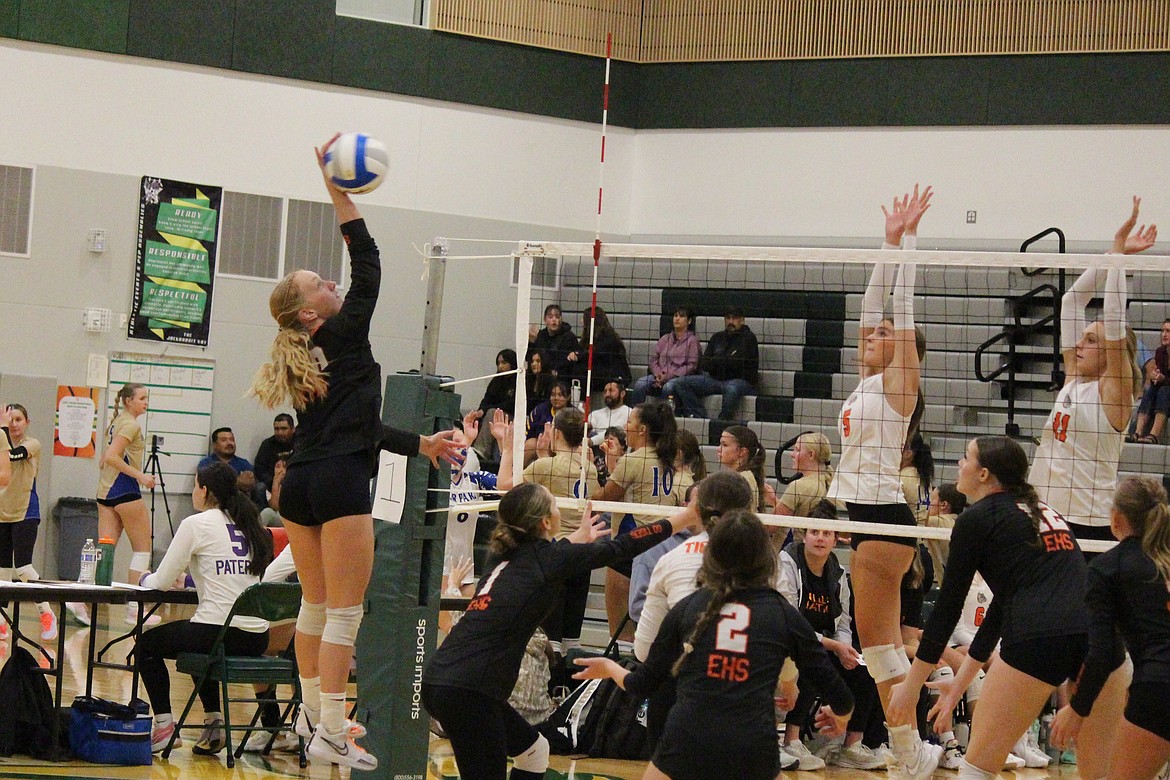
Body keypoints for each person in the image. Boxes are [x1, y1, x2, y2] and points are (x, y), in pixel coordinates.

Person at [248, 135, 384, 770]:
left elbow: (359, 427)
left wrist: (422, 444)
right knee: (345, 616)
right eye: (318, 282)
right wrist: (335, 185)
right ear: (308, 313)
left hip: (297, 483)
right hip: (335, 483)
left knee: (315, 605)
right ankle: (332, 726)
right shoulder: (344, 330)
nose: (332, 281)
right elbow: (368, 258)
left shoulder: (302, 358)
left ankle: (309, 718)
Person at [422, 483, 690, 780]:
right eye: (554, 503)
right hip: (470, 690)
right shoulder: (547, 559)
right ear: (546, 522)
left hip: (442, 680)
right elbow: (623, 546)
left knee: (535, 751)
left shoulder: (503, 555)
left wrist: (577, 539)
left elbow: (547, 559)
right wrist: (686, 517)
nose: (558, 508)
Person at [574, 510, 855, 780]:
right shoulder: (783, 613)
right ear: (766, 558)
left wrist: (610, 667)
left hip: (687, 739)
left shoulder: (687, 607)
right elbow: (839, 694)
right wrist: (841, 715)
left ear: (713, 557)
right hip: (752, 746)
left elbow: (642, 683)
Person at [1026, 198, 1154, 776]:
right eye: (1084, 339)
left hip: (1089, 531)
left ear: (1117, 354)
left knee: (1096, 647)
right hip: (1051, 522)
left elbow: (1116, 323)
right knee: (1055, 636)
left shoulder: (1113, 396)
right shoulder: (1076, 379)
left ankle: (1108, 741)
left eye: (1095, 341)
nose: (1081, 342)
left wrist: (1122, 266)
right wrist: (1109, 253)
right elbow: (1074, 300)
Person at [886, 436, 1089, 780]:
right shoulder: (1043, 511)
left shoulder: (978, 519)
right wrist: (960, 683)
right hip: (1096, 639)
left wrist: (911, 685)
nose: (958, 466)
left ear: (983, 474)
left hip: (1038, 639)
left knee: (977, 768)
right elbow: (1000, 609)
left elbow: (947, 609)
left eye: (965, 458)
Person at [823, 184, 939, 778]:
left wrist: (912, 246)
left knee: (879, 649)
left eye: (881, 335)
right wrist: (887, 242)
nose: (870, 336)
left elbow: (903, 312)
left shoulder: (900, 388)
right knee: (885, 648)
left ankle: (907, 751)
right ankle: (909, 748)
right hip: (867, 518)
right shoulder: (869, 384)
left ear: (900, 348)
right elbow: (873, 307)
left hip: (884, 518)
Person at [138, 462, 273, 754]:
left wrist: (141, 577)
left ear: (205, 490)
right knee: (197, 637)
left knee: (146, 645)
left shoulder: (196, 524)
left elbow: (159, 581)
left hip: (219, 634)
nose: (192, 492)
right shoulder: (248, 524)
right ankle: (213, 724)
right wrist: (190, 580)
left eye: (194, 485)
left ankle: (164, 726)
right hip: (256, 635)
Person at [1050, 476, 1170, 780]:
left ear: (1116, 519)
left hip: (1159, 686)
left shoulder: (1108, 568)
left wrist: (1078, 710)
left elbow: (1101, 653)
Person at [777, 511, 886, 771]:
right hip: (792, 643)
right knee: (812, 659)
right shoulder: (787, 562)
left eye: (827, 533)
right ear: (804, 535)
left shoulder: (837, 573)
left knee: (866, 666)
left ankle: (851, 745)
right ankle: (791, 740)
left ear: (836, 539)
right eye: (815, 532)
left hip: (826, 646)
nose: (820, 538)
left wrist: (845, 650)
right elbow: (789, 620)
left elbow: (844, 621)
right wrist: (833, 646)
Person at [593, 400, 693, 640]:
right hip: (666, 545)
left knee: (621, 633)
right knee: (655, 627)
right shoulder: (669, 461)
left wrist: (588, 473)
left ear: (642, 430)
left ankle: (621, 669)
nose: (625, 426)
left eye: (629, 421)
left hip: (633, 545)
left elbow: (604, 499)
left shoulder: (635, 459)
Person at [522, 407, 600, 656]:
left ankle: (550, 687)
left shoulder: (545, 465)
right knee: (572, 639)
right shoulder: (590, 468)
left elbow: (506, 487)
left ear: (556, 432)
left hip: (557, 549)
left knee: (552, 638)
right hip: (584, 551)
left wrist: (514, 449)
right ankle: (568, 688)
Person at [92, 382, 159, 628]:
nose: (146, 402)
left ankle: (80, 599)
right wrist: (140, 476)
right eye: (142, 398)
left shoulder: (118, 420)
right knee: (142, 550)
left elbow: (106, 457)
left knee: (105, 551)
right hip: (125, 491)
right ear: (129, 400)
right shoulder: (130, 424)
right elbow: (111, 456)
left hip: (105, 493)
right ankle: (134, 609)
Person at [0, 404, 56, 641]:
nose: (14, 423)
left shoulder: (32, 444)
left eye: (18, 419)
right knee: (1, 571)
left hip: (26, 511)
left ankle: (47, 613)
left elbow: (14, 455)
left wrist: (1, 430)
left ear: (27, 422)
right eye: (10, 419)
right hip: (3, 511)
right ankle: (2, 622)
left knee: (22, 567)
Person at [664, 306, 759, 421]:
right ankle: (700, 417)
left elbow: (740, 365)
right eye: (728, 318)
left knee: (732, 389)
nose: (730, 321)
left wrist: (718, 361)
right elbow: (705, 363)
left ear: (742, 320)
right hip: (715, 380)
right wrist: (726, 361)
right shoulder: (717, 337)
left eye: (734, 318)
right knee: (681, 383)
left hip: (741, 381)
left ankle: (721, 423)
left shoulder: (749, 339)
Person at [629, 306, 701, 405]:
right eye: (675, 315)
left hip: (678, 378)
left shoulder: (692, 341)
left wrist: (668, 376)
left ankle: (664, 416)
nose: (677, 318)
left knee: (668, 387)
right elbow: (654, 359)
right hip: (659, 375)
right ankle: (636, 413)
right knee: (640, 384)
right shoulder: (665, 338)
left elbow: (691, 366)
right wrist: (658, 374)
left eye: (681, 316)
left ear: (689, 321)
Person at [1128, 318, 1170, 443]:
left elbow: (1165, 380)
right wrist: (1154, 377)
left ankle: (1154, 435)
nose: (1164, 334)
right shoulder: (1160, 352)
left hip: (1166, 393)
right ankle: (1137, 432)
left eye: (1168, 331)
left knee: (1164, 391)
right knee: (1151, 390)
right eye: (1162, 331)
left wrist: (1163, 379)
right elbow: (1159, 377)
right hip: (1164, 394)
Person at [571, 306, 631, 389]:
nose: (581, 321)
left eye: (584, 319)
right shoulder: (589, 338)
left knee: (580, 372)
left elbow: (595, 353)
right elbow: (583, 351)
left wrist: (578, 355)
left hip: (615, 374)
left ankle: (581, 400)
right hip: (601, 372)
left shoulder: (609, 337)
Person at [199, 427, 262, 504]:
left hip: (240, 507)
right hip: (214, 507)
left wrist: (224, 483)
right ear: (214, 445)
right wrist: (237, 482)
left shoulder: (243, 463)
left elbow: (250, 484)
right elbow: (209, 487)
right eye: (224, 440)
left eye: (232, 439)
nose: (229, 443)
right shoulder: (206, 463)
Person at [715, 425, 766, 512]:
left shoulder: (741, 479)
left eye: (724, 445)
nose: (718, 449)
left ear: (742, 451)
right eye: (720, 444)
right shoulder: (743, 476)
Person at [924, 482, 966, 584]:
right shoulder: (962, 522)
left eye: (931, 499)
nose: (927, 504)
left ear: (943, 505)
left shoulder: (935, 522)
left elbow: (914, 520)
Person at [526, 304, 579, 378]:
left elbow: (568, 361)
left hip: (562, 377)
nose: (554, 319)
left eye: (557, 317)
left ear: (561, 319)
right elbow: (528, 358)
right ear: (545, 320)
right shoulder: (540, 335)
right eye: (550, 317)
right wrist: (531, 342)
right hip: (541, 377)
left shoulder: (569, 337)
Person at [524, 380, 570, 466]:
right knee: (530, 443)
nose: (556, 398)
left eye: (560, 395)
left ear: (568, 397)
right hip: (540, 444)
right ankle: (517, 474)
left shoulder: (573, 414)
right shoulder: (539, 410)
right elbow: (528, 432)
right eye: (553, 395)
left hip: (564, 448)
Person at [253, 413, 296, 493]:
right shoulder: (267, 444)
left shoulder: (300, 442)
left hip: (296, 481)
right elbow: (259, 469)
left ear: (293, 429)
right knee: (260, 488)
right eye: (276, 429)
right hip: (272, 483)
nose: (279, 433)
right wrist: (274, 482)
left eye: (284, 429)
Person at [899, 432, 933, 524]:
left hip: (906, 534)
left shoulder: (900, 478)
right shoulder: (924, 477)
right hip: (922, 534)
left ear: (908, 453)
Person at [587, 379, 631, 447]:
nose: (607, 394)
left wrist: (592, 441)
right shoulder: (595, 414)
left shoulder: (628, 412)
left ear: (622, 394)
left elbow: (613, 434)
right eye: (605, 391)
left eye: (611, 391)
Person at [524, 350, 553, 414]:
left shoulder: (551, 381)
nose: (534, 364)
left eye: (538, 361)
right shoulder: (528, 379)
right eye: (532, 361)